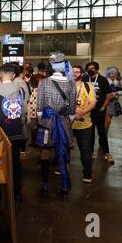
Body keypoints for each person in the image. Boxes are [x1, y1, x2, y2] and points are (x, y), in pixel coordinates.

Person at [36, 53, 76, 197]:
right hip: (64, 122)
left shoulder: (44, 82)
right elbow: (72, 111)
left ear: (52, 66)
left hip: (47, 122)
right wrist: (66, 120)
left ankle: (45, 186)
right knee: (62, 154)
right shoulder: (71, 84)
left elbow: (39, 107)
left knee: (45, 154)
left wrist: (41, 119)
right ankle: (64, 187)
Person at [0, 63, 26, 202]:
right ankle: (16, 191)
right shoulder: (21, 90)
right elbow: (23, 111)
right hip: (16, 131)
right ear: (13, 75)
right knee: (15, 161)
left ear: (0, 74)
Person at [83, 61, 115, 164]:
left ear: (96, 69)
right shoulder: (85, 79)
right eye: (88, 68)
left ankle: (107, 152)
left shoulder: (102, 80)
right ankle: (91, 151)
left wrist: (103, 107)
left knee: (102, 132)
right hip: (88, 111)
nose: (90, 70)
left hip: (99, 111)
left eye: (92, 68)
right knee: (89, 133)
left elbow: (109, 95)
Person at [72, 65, 97, 183]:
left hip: (85, 124)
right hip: (69, 124)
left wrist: (82, 111)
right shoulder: (67, 86)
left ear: (81, 74)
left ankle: (87, 173)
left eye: (77, 72)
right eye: (72, 72)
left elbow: (93, 102)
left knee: (85, 150)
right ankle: (61, 167)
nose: (74, 74)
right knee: (64, 148)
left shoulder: (88, 86)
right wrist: (74, 111)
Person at [104, 67, 122, 134]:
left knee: (109, 121)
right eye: (111, 73)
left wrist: (117, 93)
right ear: (108, 74)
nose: (113, 74)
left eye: (115, 73)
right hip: (106, 103)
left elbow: (119, 93)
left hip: (114, 103)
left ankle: (104, 135)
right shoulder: (105, 81)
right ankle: (103, 136)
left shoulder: (117, 82)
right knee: (107, 121)